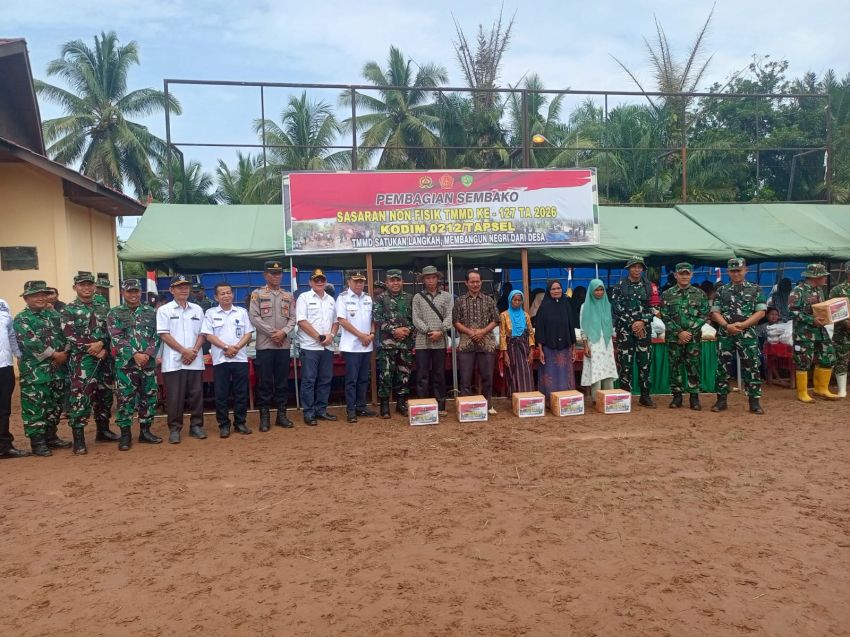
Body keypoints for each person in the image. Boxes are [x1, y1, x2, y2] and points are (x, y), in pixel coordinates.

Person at [62, 271, 118, 454]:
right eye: (82, 285)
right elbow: (69, 335)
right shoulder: (68, 310)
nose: (86, 288)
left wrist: (102, 344)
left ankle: (103, 430)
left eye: (89, 285)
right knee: (81, 397)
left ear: (94, 287)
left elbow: (110, 328)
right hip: (83, 361)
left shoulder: (103, 305)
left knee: (105, 394)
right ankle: (78, 438)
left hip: (104, 358)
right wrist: (91, 348)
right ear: (75, 287)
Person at [13, 281, 69, 456]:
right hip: (35, 372)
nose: (40, 298)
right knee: (35, 406)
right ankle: (38, 442)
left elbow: (66, 332)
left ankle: (51, 436)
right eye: (35, 295)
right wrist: (55, 354)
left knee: (54, 404)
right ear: (26, 298)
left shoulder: (53, 314)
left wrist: (65, 351)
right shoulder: (22, 318)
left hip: (57, 369)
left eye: (43, 295)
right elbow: (31, 342)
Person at [107, 278, 162, 450]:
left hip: (147, 363)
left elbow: (157, 335)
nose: (133, 294)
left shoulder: (150, 312)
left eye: (136, 291)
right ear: (123, 293)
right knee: (125, 399)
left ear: (141, 292)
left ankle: (145, 431)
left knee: (149, 397)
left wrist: (147, 354)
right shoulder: (114, 313)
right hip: (126, 364)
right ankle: (125, 435)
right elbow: (116, 337)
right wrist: (134, 354)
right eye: (129, 291)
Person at [710, 258, 768, 413]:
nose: (736, 273)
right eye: (733, 271)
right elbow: (715, 312)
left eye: (739, 270)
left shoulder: (755, 289)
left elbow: (761, 312)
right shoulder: (721, 291)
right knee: (722, 367)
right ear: (728, 272)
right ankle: (721, 400)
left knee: (751, 366)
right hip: (726, 333)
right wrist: (726, 326)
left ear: (745, 270)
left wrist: (744, 325)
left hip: (747, 334)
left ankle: (754, 402)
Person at [156, 274, 206, 443]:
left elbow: (202, 333)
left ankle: (196, 426)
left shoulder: (197, 309)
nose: (184, 290)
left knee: (196, 395)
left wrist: (194, 351)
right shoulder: (164, 310)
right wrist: (184, 351)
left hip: (195, 359)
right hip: (173, 361)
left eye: (186, 287)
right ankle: (175, 429)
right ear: (171, 290)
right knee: (174, 397)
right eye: (179, 287)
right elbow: (164, 334)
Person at [249, 260, 297, 430]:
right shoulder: (257, 294)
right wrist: (273, 333)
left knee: (282, 382)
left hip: (283, 345)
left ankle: (282, 415)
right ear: (265, 275)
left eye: (279, 273)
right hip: (265, 346)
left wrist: (283, 332)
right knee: (265, 382)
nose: (276, 276)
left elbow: (293, 318)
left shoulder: (288, 295)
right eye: (272, 273)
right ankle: (265, 417)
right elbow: (254, 317)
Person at [202, 282, 254, 438]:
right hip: (220, 359)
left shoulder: (241, 312)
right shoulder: (210, 313)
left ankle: (240, 423)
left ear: (233, 294)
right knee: (221, 394)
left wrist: (236, 348)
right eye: (222, 293)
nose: (226, 296)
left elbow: (248, 333)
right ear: (216, 297)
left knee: (241, 392)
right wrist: (226, 347)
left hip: (240, 358)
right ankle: (224, 425)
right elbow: (208, 335)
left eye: (228, 293)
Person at [660, 263, 709, 410]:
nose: (684, 276)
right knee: (675, 367)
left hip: (693, 339)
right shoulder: (667, 294)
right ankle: (677, 397)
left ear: (691, 275)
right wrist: (679, 332)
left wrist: (690, 332)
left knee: (693, 367)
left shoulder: (699, 294)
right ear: (675, 275)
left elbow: (704, 314)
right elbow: (664, 315)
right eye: (681, 274)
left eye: (687, 274)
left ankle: (694, 398)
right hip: (674, 339)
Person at [789, 263, 839, 402]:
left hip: (820, 332)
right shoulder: (798, 291)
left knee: (828, 357)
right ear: (815, 277)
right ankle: (802, 393)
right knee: (803, 361)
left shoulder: (819, 291)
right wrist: (812, 320)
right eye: (823, 276)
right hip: (804, 333)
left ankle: (821, 389)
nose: (826, 279)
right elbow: (791, 311)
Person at [610, 256, 656, 407]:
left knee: (644, 364)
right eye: (634, 267)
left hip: (644, 331)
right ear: (628, 269)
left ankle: (645, 396)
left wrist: (642, 321)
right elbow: (617, 308)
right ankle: (625, 397)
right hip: (625, 331)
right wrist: (633, 323)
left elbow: (654, 307)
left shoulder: (649, 286)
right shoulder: (619, 286)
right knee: (625, 364)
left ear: (643, 269)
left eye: (639, 267)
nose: (637, 269)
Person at [452, 270, 500, 414]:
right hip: (467, 342)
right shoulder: (459, 301)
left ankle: (487, 404)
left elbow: (496, 320)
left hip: (486, 342)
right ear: (466, 283)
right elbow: (455, 321)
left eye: (477, 281)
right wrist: (470, 332)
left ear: (481, 282)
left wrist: (483, 331)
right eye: (472, 281)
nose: (475, 284)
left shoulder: (489, 300)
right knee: (466, 378)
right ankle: (466, 406)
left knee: (487, 376)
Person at [295, 268, 339, 425]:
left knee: (325, 380)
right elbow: (301, 321)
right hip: (310, 346)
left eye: (322, 279)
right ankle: (308, 412)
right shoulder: (304, 298)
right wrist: (319, 337)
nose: (319, 282)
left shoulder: (331, 300)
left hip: (327, 346)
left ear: (325, 281)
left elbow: (336, 322)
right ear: (310, 282)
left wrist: (331, 336)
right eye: (316, 280)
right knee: (309, 380)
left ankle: (321, 410)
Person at [335, 271, 377, 423]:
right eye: (356, 281)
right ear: (349, 282)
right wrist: (361, 336)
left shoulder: (368, 298)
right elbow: (342, 320)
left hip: (366, 345)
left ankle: (361, 406)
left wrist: (371, 334)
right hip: (351, 346)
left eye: (361, 281)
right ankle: (351, 410)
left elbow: (373, 318)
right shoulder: (343, 298)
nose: (359, 284)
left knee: (363, 379)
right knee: (352, 380)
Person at [412, 265, 453, 414]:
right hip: (423, 341)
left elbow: (450, 315)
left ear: (438, 279)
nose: (431, 281)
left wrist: (441, 331)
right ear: (423, 280)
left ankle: (440, 405)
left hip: (440, 341)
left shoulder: (447, 296)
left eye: (433, 277)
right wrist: (429, 332)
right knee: (422, 374)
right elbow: (416, 318)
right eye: (427, 278)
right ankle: (424, 405)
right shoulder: (417, 297)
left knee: (439, 374)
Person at [374, 269, 414, 418]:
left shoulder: (410, 298)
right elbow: (377, 319)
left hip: (405, 343)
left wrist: (406, 330)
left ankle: (401, 404)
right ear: (387, 282)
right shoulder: (380, 299)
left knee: (404, 374)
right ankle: (384, 406)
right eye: (392, 280)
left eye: (398, 280)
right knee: (386, 375)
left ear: (402, 282)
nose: (395, 283)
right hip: (387, 345)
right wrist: (394, 331)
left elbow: (414, 319)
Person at [535, 279, 577, 400]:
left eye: (558, 288)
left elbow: (571, 327)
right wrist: (541, 350)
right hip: (549, 348)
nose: (556, 291)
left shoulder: (566, 305)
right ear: (549, 291)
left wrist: (573, 348)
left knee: (565, 375)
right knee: (551, 375)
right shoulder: (544, 307)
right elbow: (540, 329)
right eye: (553, 289)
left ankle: (565, 400)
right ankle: (550, 401)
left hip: (565, 347)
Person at [580, 279, 617, 402]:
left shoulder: (607, 305)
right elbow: (583, 327)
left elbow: (610, 325)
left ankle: (609, 397)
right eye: (596, 290)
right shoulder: (585, 306)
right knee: (596, 369)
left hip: (606, 342)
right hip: (593, 342)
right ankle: (597, 399)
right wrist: (585, 346)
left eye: (601, 290)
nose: (599, 292)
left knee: (608, 368)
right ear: (591, 290)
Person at [1, 295, 28, 458]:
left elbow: (10, 333)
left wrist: (18, 355)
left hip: (4, 366)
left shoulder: (2, 304)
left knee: (3, 409)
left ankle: (3, 446)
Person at [499, 289, 535, 395]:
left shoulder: (525, 315)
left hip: (524, 348)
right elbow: (502, 335)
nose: (517, 302)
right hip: (511, 348)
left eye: (519, 300)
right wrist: (505, 353)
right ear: (510, 300)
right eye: (515, 300)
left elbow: (531, 334)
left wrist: (531, 351)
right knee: (512, 372)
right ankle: (515, 397)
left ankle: (527, 397)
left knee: (526, 371)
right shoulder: (504, 315)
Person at [828, 262, 850, 398]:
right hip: (843, 331)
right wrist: (847, 323)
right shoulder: (838, 290)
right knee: (841, 359)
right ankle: (842, 389)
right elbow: (834, 312)